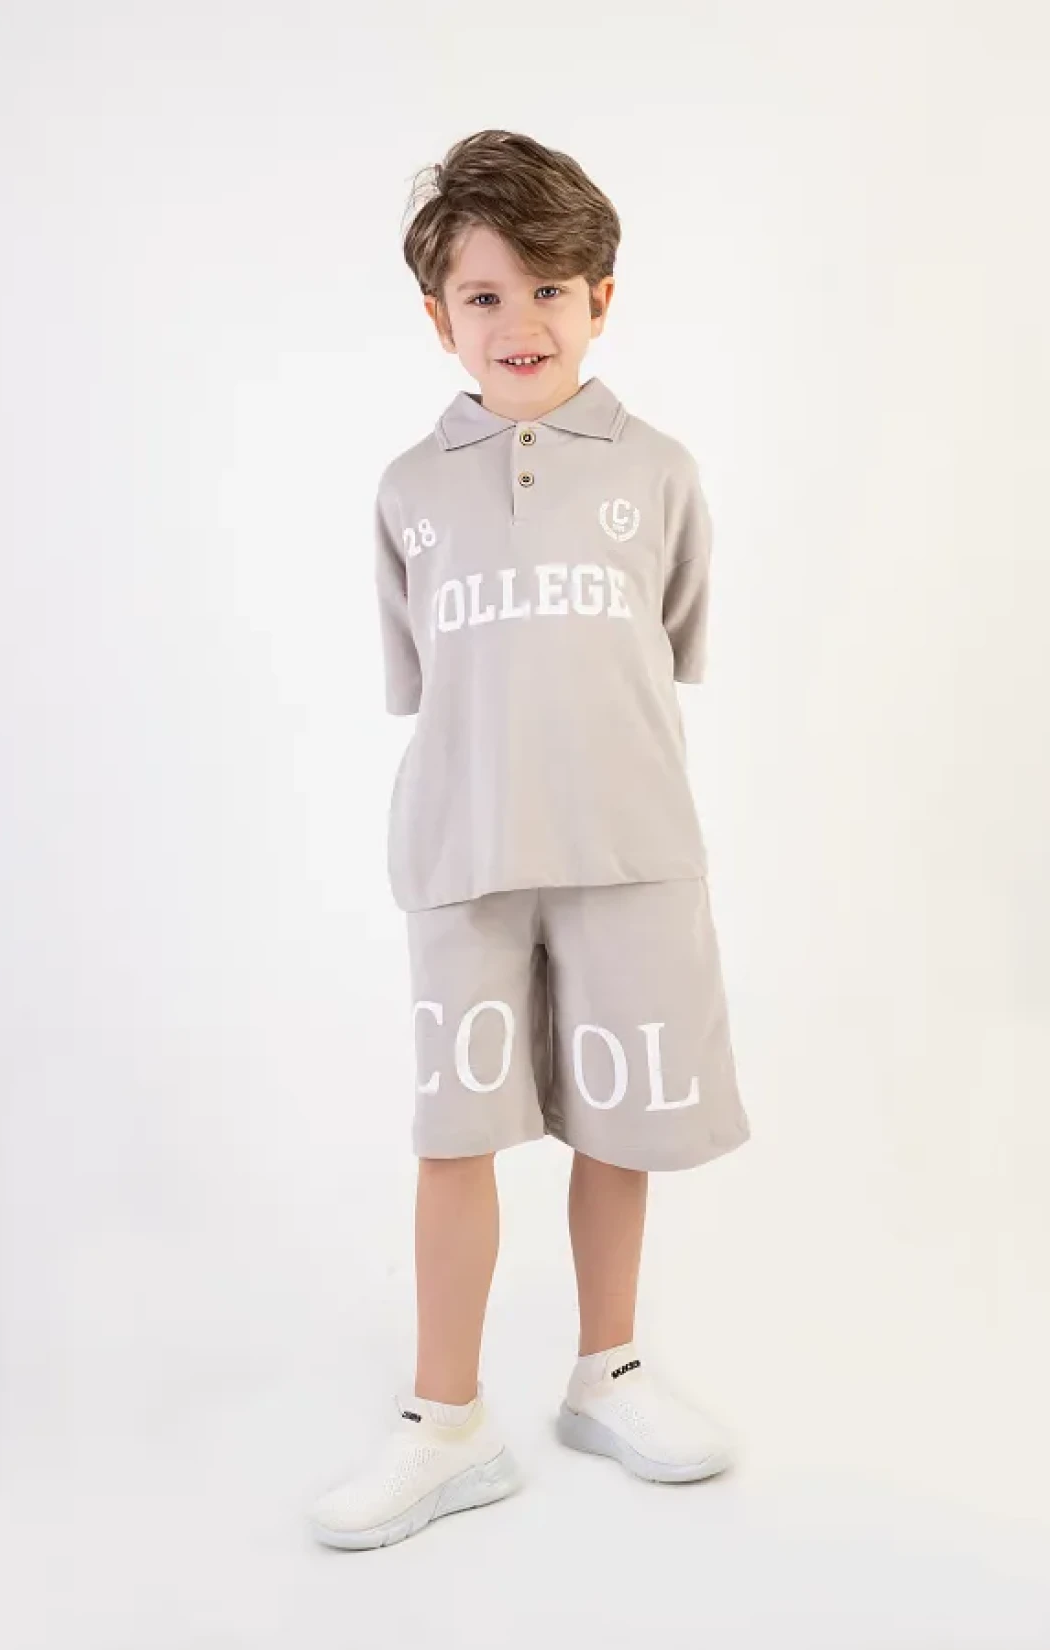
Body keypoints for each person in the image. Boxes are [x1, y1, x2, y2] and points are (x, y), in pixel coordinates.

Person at [309, 128, 751, 1551]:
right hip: (464, 857)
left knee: (622, 1120)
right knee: (457, 1131)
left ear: (601, 299)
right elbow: (425, 683)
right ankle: (447, 1421)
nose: (521, 321)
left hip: (630, 849)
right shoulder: (407, 491)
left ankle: (605, 1372)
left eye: (551, 289)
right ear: (438, 314)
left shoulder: (662, 472)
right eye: (486, 295)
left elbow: (665, 644)